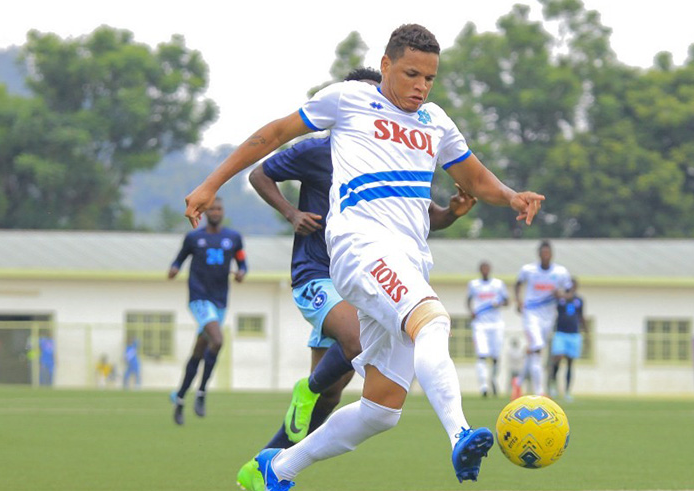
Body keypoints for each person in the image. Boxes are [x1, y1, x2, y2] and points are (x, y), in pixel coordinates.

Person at [184, 24, 544, 489]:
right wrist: (211, 184)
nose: (421, 86)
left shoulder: (435, 121)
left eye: (430, 78)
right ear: (386, 66)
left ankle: (276, 469)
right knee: (432, 321)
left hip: (408, 260)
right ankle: (459, 435)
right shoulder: (350, 99)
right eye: (412, 73)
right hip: (360, 246)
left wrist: (512, 197)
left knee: (381, 409)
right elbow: (274, 133)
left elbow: (474, 179)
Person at [236, 67, 477, 490]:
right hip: (319, 273)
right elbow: (261, 171)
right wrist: (291, 213)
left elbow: (429, 218)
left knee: (368, 406)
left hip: (378, 277)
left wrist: (455, 211)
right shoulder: (317, 150)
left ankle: (269, 466)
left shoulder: (395, 151)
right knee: (359, 342)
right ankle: (309, 390)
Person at [169, 197, 247, 425]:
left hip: (220, 300)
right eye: (212, 208)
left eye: (219, 208)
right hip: (199, 298)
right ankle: (202, 392)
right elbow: (179, 259)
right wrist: (174, 269)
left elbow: (242, 263)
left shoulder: (233, 238)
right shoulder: (194, 237)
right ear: (204, 212)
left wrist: (242, 272)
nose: (216, 212)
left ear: (223, 212)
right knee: (218, 339)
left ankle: (181, 397)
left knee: (199, 351)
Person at [514, 240, 572, 397]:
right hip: (531, 314)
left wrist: (562, 295)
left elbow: (570, 293)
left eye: (548, 253)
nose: (545, 255)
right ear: (539, 254)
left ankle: (518, 382)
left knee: (535, 351)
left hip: (549, 316)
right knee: (538, 348)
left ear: (552, 254)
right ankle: (540, 391)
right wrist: (518, 301)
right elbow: (518, 284)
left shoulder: (560, 272)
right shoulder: (529, 270)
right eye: (543, 253)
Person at [466, 261, 509, 397]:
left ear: (490, 269)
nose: (485, 270)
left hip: (496, 325)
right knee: (482, 355)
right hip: (480, 325)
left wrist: (499, 303)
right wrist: (471, 311)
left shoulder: (498, 284)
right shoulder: (474, 284)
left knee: (496, 356)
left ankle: (493, 379)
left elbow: (507, 301)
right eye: (482, 268)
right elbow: (468, 300)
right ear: (480, 270)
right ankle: (484, 386)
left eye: (487, 268)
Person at [548, 277, 587, 401]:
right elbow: (553, 295)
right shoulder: (560, 299)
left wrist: (586, 332)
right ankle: (553, 386)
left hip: (574, 334)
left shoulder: (579, 300)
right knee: (557, 358)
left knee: (570, 363)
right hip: (561, 333)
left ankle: (567, 391)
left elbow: (581, 316)